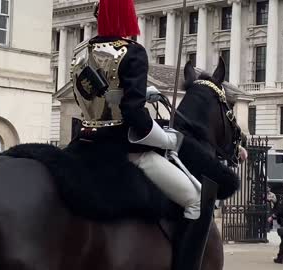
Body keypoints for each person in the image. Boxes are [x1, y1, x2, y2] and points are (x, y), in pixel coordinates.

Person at [69, 0, 241, 269]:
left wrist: (139, 93)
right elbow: (135, 118)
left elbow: (99, 99)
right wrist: (169, 139)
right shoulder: (132, 52)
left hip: (86, 145)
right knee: (197, 200)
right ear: (125, 15)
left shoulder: (81, 54)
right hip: (128, 152)